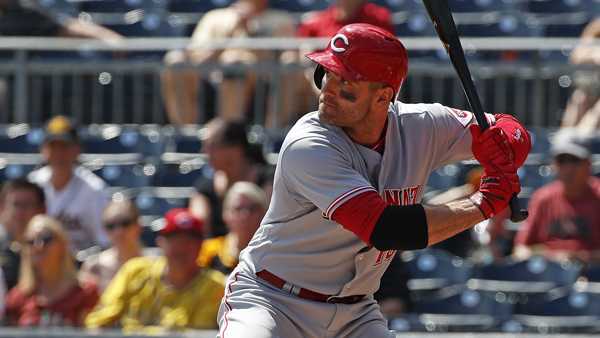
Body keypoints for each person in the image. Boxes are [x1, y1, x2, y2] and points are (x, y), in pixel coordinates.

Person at [217, 23, 530, 338]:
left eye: (346, 82)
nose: (329, 89)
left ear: (383, 97)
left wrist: (502, 144)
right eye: (327, 73)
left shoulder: (421, 126)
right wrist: (482, 204)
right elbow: (387, 228)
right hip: (274, 299)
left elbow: (512, 130)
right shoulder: (309, 144)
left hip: (355, 312)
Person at [85, 208, 226, 333]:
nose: (181, 248)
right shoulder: (135, 271)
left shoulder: (215, 287)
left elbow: (196, 334)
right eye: (175, 240)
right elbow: (99, 321)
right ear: (160, 242)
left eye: (189, 241)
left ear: (201, 245)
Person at [161, 0, 295, 125]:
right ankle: (187, 135)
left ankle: (232, 135)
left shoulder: (281, 19)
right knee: (174, 60)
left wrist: (252, 34)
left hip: (262, 85)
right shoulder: (214, 17)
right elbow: (198, 58)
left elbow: (288, 59)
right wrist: (228, 35)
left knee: (234, 61)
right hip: (211, 80)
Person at [279, 0, 395, 127]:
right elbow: (305, 56)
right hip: (316, 81)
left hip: (358, 83)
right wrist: (319, 81)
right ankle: (273, 134)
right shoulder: (316, 20)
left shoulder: (378, 17)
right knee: (290, 62)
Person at [513, 130, 600, 264]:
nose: (568, 168)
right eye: (562, 161)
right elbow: (521, 249)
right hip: (549, 276)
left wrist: (580, 258)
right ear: (554, 165)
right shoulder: (543, 198)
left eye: (574, 160)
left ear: (588, 164)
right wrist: (552, 258)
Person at [28, 115, 110, 253]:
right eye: (53, 146)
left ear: (77, 150)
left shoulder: (94, 189)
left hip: (79, 263)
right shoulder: (33, 184)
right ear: (43, 150)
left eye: (65, 146)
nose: (59, 153)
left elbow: (104, 241)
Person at [5, 215, 99, 327]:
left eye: (46, 239)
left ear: (63, 245)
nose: (38, 246)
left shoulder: (86, 293)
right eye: (30, 242)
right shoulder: (17, 298)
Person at [189, 118, 269, 237]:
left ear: (236, 149)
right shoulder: (204, 189)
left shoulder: (268, 182)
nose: (205, 152)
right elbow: (196, 231)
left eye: (212, 145)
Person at [198, 182, 268, 275]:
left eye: (252, 208)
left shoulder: (274, 252)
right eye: (238, 209)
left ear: (264, 213)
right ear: (225, 215)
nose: (245, 215)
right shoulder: (209, 251)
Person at [79, 199, 149, 292]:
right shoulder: (94, 267)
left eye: (125, 223)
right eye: (110, 226)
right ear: (104, 230)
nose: (118, 232)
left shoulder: (156, 263)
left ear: (138, 225)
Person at [0, 179, 46, 290]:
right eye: (15, 204)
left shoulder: (50, 248)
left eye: (27, 205)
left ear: (42, 210)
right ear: (1, 208)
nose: (20, 212)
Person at [560, 17, 600, 132]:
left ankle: (581, 141)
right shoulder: (596, 26)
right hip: (591, 87)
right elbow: (576, 56)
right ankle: (564, 142)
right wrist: (593, 56)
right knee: (579, 98)